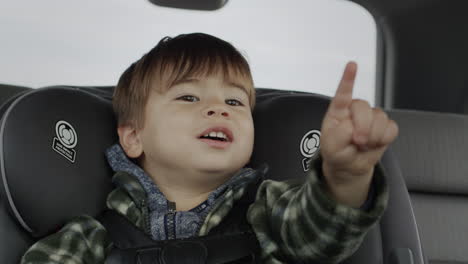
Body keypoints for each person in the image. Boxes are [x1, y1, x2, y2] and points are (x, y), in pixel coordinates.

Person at [21, 33, 398, 263]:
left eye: (235, 103)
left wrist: (345, 175)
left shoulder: (268, 211)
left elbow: (322, 231)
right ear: (133, 137)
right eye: (188, 97)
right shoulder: (91, 236)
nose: (218, 108)